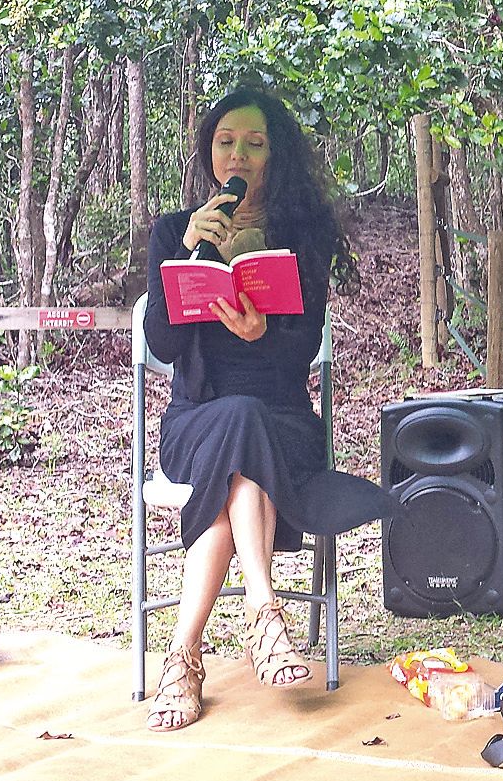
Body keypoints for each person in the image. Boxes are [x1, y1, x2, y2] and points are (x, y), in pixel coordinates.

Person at [140, 86, 384, 731]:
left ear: (276, 156)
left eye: (254, 143)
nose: (238, 156)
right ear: (209, 154)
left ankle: (182, 657)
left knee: (245, 438)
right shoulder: (173, 230)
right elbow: (162, 344)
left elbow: (301, 350)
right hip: (196, 418)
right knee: (237, 434)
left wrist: (258, 333)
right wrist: (186, 252)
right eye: (226, 143)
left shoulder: (301, 236)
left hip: (281, 417)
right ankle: (264, 613)